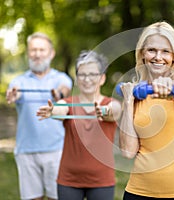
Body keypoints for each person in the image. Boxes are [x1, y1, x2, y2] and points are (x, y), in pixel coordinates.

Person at [119, 21, 174, 200]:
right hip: (139, 192)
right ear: (142, 54)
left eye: (165, 51)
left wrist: (169, 85)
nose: (158, 57)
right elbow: (128, 151)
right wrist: (128, 102)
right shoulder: (136, 94)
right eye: (152, 50)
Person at [36, 50, 122, 200]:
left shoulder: (111, 103)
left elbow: (114, 111)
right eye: (82, 74)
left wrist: (103, 111)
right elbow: (61, 108)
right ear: (76, 79)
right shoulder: (69, 103)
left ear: (102, 78)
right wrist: (53, 110)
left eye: (92, 74)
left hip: (102, 181)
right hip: (68, 180)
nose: (87, 79)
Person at [6, 32, 72, 200]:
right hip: (26, 151)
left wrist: (59, 94)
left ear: (51, 53)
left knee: (57, 197)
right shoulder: (19, 81)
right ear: (28, 53)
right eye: (33, 50)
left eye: (42, 49)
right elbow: (15, 93)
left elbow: (64, 89)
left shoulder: (61, 78)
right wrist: (14, 95)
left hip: (57, 150)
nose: (37, 54)